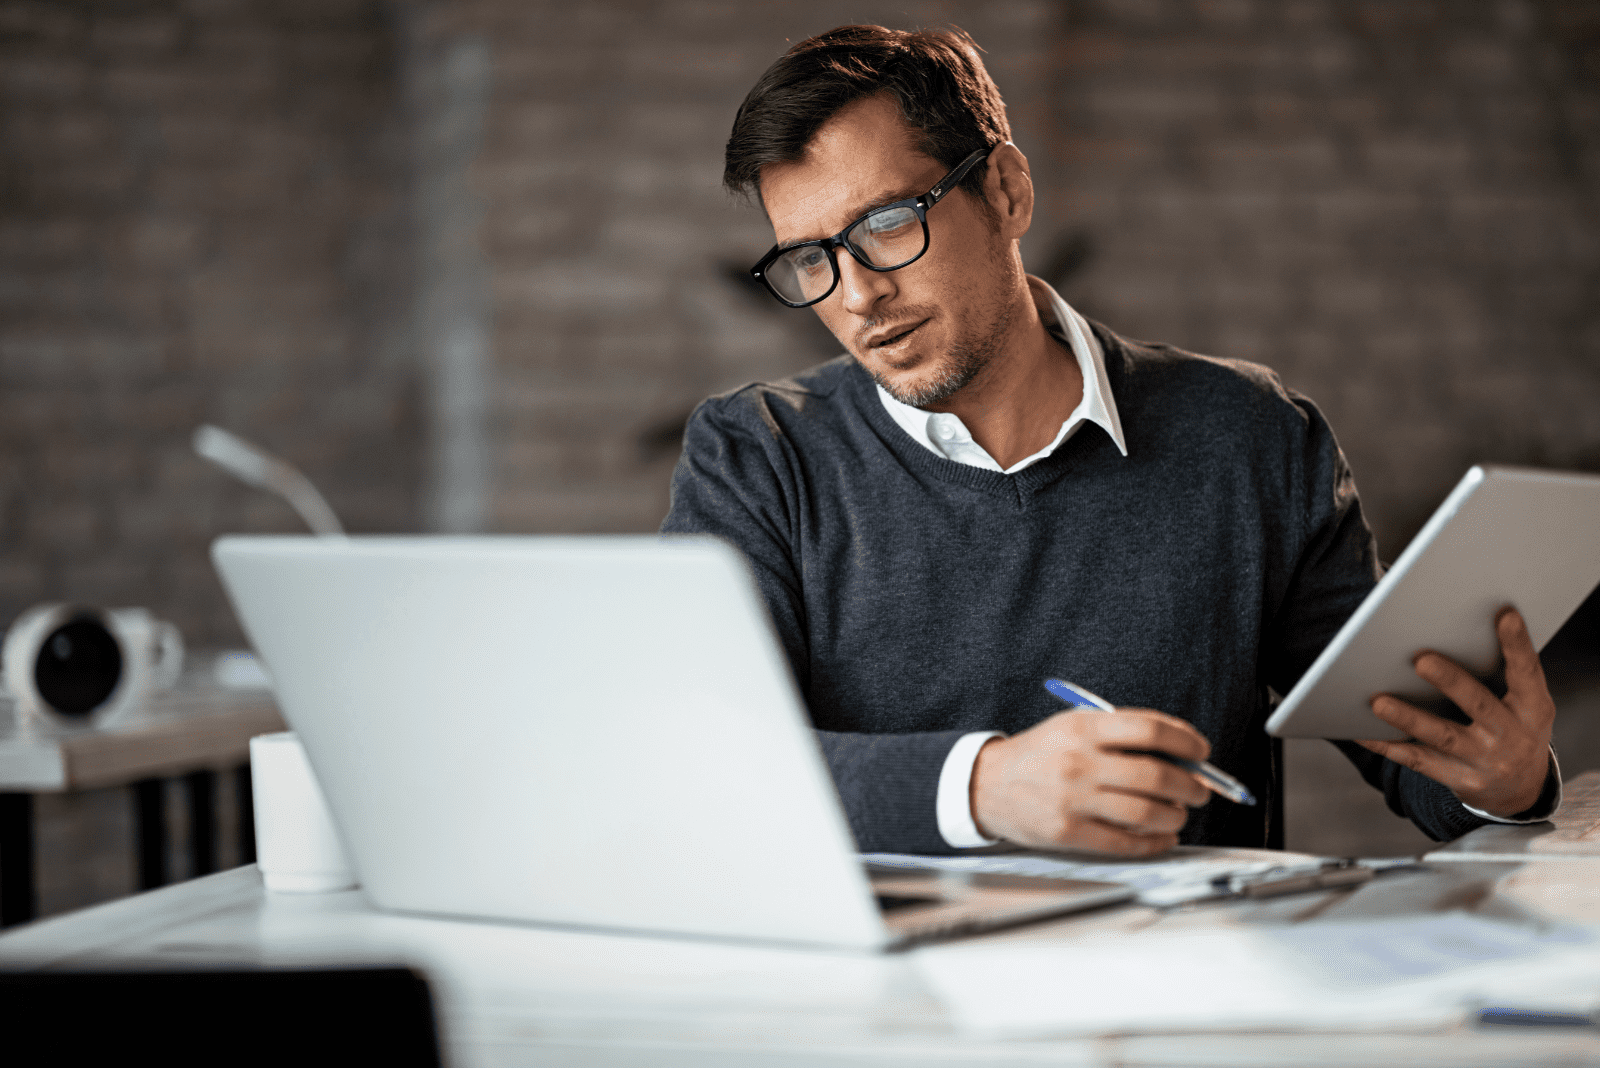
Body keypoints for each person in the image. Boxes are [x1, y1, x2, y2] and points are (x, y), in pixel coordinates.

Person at [662, 25, 1560, 856]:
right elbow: (695, 761)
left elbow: (1414, 756)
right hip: (900, 1006)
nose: (856, 297)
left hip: (1185, 991)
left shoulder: (1251, 437)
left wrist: (1503, 781)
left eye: (887, 224)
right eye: (811, 258)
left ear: (1007, 191)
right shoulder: (757, 455)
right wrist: (981, 788)